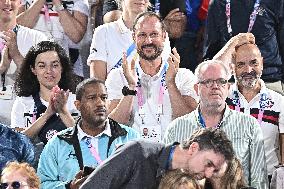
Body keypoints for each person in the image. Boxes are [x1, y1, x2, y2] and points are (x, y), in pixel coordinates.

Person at [163, 60, 268, 188]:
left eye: (221, 81)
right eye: (208, 82)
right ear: (196, 88)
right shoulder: (176, 128)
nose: (215, 86)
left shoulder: (249, 125)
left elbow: (260, 180)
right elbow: (167, 179)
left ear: (228, 88)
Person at [106, 11, 198, 142]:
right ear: (134, 37)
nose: (148, 41)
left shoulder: (183, 76)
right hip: (134, 154)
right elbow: (113, 126)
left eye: (154, 34)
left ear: (164, 36)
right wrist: (131, 87)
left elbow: (191, 123)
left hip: (173, 154)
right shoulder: (118, 76)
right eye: (142, 35)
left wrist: (171, 84)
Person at [37, 78, 140, 189]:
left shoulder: (130, 138)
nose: (100, 103)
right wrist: (69, 187)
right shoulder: (57, 143)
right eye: (92, 98)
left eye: (104, 98)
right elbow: (42, 184)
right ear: (78, 105)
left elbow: (144, 177)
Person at [80, 128, 235, 189]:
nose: (208, 174)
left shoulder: (188, 181)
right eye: (209, 164)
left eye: (214, 170)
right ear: (193, 148)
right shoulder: (138, 152)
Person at [222, 37, 284, 184]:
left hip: (266, 180)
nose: (248, 70)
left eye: (253, 63)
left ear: (262, 63)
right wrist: (233, 42)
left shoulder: (279, 102)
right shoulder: (222, 98)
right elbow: (209, 70)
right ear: (233, 67)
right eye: (241, 64)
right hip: (228, 181)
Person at [204, 0, 284, 95]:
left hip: (268, 81)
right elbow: (210, 54)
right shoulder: (218, 3)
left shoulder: (276, 2)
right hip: (231, 83)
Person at [11, 41, 78, 144]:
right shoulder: (22, 102)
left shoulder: (76, 100)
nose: (49, 71)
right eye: (42, 66)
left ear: (62, 68)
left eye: (55, 65)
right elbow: (18, 143)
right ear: (33, 69)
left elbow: (85, 141)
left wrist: (63, 112)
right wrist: (47, 114)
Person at [87, 0, 171, 81]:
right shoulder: (103, 32)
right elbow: (97, 83)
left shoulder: (161, 35)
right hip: (115, 95)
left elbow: (164, 77)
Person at [17, 0, 89, 82]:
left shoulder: (78, 1)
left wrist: (58, 4)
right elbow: (18, 30)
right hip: (30, 66)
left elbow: (76, 36)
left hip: (68, 69)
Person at [0, 0, 47, 125]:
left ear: (20, 2)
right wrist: (2, 67)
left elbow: (46, 79)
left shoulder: (38, 38)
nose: (8, 3)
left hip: (25, 122)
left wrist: (17, 55)